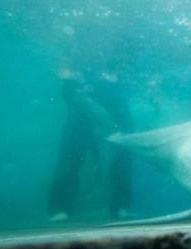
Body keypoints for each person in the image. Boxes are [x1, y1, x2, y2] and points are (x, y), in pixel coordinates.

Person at [48, 66, 134, 222]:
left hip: (115, 110)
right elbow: (66, 87)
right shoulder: (77, 56)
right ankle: (60, 208)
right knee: (69, 159)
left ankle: (121, 207)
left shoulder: (120, 60)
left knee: (123, 158)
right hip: (81, 113)